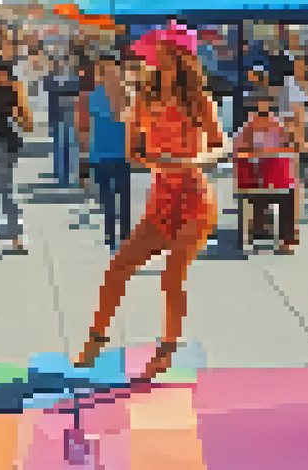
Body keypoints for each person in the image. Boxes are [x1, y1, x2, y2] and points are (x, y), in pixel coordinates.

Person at [73, 36, 230, 381]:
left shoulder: (199, 101)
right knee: (118, 268)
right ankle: (96, 338)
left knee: (172, 272)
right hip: (161, 200)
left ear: (184, 62)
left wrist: (194, 160)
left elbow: (221, 147)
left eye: (170, 59)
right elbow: (133, 153)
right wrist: (151, 159)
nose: (163, 66)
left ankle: (167, 348)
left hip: (195, 199)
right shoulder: (145, 100)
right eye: (160, 60)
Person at [81, 52, 134, 253]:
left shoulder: (128, 93)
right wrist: (85, 158)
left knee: (124, 199)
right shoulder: (93, 95)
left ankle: (125, 238)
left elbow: (125, 116)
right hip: (100, 154)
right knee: (108, 199)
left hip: (122, 153)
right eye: (103, 69)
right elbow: (85, 127)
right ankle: (112, 238)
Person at [0, 60, 33, 252]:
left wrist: (18, 99)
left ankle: (15, 236)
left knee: (6, 190)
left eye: (4, 74)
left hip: (6, 144)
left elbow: (27, 124)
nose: (1, 78)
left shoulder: (15, 93)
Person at [234, 92, 298, 252]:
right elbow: (240, 150)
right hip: (257, 179)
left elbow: (289, 145)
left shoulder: (277, 125)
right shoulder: (249, 127)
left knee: (287, 191)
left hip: (272, 179)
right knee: (285, 191)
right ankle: (270, 231)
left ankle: (283, 236)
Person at [46, 56, 84, 187]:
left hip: (71, 116)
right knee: (60, 146)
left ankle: (70, 176)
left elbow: (79, 94)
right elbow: (51, 99)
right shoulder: (51, 79)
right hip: (58, 117)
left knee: (71, 146)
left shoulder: (75, 79)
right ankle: (61, 176)